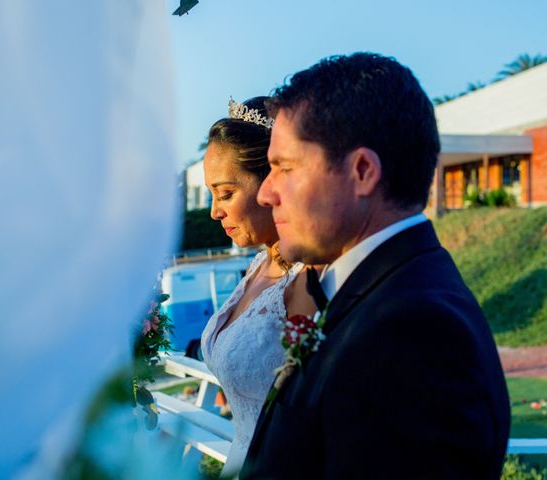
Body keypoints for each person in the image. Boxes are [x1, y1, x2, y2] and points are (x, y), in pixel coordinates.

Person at [241, 53, 511, 479]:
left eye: (284, 168)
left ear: (362, 171)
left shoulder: (415, 333)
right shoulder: (379, 292)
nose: (266, 194)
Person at [199, 97, 319, 477]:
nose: (215, 211)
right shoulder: (257, 264)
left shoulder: (305, 280)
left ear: (271, 181)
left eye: (226, 193)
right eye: (212, 195)